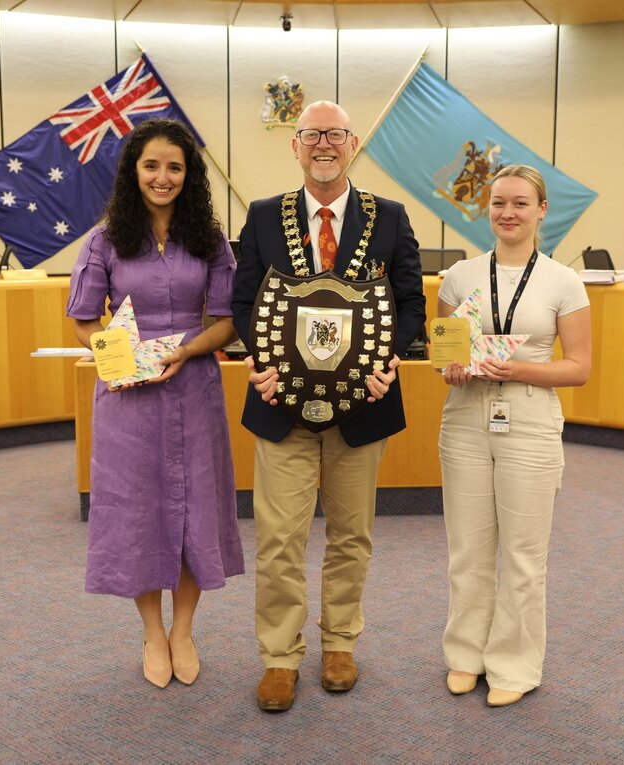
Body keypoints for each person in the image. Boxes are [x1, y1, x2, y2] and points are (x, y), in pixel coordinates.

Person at [232, 100, 426, 712]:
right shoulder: (264, 217)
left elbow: (412, 304)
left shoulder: (388, 218)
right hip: (279, 408)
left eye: (334, 135)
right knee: (279, 537)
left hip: (363, 407)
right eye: (312, 135)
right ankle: (280, 657)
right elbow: (242, 304)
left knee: (351, 535)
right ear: (295, 146)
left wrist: (387, 359)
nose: (323, 144)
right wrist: (258, 364)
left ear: (352, 144)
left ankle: (340, 644)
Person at [66, 119, 244, 689]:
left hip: (194, 388)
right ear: (133, 172)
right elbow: (83, 316)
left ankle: (184, 629)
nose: (162, 177)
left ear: (188, 176)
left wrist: (185, 351)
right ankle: (151, 631)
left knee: (196, 507)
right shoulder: (104, 240)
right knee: (138, 511)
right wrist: (121, 356)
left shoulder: (210, 242)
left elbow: (227, 321)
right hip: (129, 399)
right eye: (151, 166)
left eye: (174, 167)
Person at [437, 164, 591, 707]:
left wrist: (519, 370)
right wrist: (452, 367)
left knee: (524, 554)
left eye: (521, 203)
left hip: (528, 419)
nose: (508, 212)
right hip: (464, 419)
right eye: (499, 203)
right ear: (487, 209)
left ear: (541, 210)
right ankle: (465, 654)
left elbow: (579, 368)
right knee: (468, 549)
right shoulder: (460, 276)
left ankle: (515, 664)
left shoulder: (563, 281)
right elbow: (445, 353)